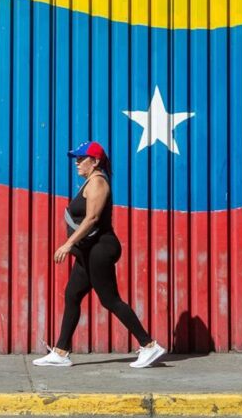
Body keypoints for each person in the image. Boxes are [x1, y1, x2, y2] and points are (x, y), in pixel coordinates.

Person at [33, 141, 166, 369]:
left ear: (94, 162)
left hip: (100, 248)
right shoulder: (89, 181)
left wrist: (68, 244)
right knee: (72, 294)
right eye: (76, 158)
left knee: (110, 299)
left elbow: (92, 218)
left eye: (81, 158)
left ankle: (149, 345)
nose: (77, 163)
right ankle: (61, 352)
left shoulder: (97, 182)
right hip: (89, 250)